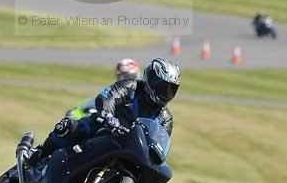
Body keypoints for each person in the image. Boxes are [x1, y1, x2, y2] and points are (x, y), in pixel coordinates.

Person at [28, 57, 180, 166]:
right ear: (150, 80)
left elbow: (160, 143)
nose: (166, 92)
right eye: (162, 87)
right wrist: (108, 114)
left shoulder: (165, 118)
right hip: (106, 127)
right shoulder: (131, 86)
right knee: (70, 127)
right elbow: (108, 96)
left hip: (131, 149)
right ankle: (39, 153)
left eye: (171, 89)